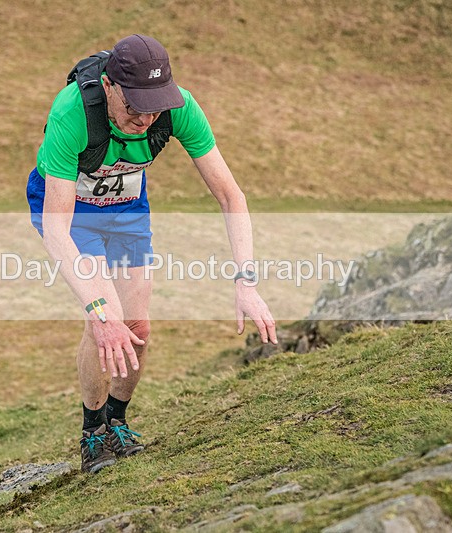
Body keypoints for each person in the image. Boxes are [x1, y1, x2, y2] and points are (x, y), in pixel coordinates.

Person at [27, 34, 278, 474]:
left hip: (127, 210)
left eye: (153, 107)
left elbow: (230, 196)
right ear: (108, 86)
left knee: (137, 327)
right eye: (133, 108)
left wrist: (247, 283)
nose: (145, 119)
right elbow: (56, 228)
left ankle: (117, 422)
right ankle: (93, 435)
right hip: (73, 213)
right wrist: (99, 310)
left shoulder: (179, 107)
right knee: (106, 320)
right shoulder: (73, 113)